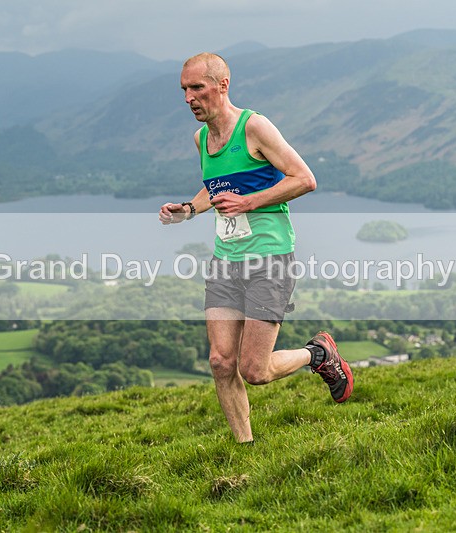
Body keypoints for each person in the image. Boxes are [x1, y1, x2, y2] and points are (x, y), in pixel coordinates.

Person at [159, 52, 353, 443]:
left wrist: (249, 201)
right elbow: (217, 188)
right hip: (226, 261)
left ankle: (318, 354)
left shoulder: (254, 127)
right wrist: (188, 210)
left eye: (197, 87)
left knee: (255, 370)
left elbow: (304, 178)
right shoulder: (202, 138)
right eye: (184, 89)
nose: (188, 98)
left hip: (270, 259)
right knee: (219, 361)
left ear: (222, 85)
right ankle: (245, 449)